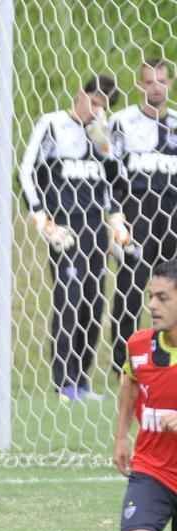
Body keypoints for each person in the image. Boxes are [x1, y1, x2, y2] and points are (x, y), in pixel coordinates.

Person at [90, 257, 177, 531]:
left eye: (163, 297)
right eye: (150, 297)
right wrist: (121, 436)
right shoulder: (139, 345)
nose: (153, 305)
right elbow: (129, 381)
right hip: (154, 468)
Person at [19, 75, 127, 400]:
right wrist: (42, 219)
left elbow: (113, 182)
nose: (95, 110)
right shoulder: (52, 124)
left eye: (102, 107)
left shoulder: (100, 134)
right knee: (69, 297)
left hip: (95, 227)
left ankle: (82, 379)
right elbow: (26, 170)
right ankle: (63, 381)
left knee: (94, 302)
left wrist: (105, 147)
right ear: (80, 93)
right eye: (93, 102)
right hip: (64, 226)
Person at [108, 58, 177, 375]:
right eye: (150, 81)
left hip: (172, 214)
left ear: (171, 84)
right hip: (136, 212)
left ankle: (167, 359)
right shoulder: (121, 122)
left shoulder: (176, 122)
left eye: (162, 81)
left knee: (171, 290)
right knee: (129, 288)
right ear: (139, 85)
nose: (156, 88)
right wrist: (115, 217)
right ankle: (124, 363)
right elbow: (109, 173)